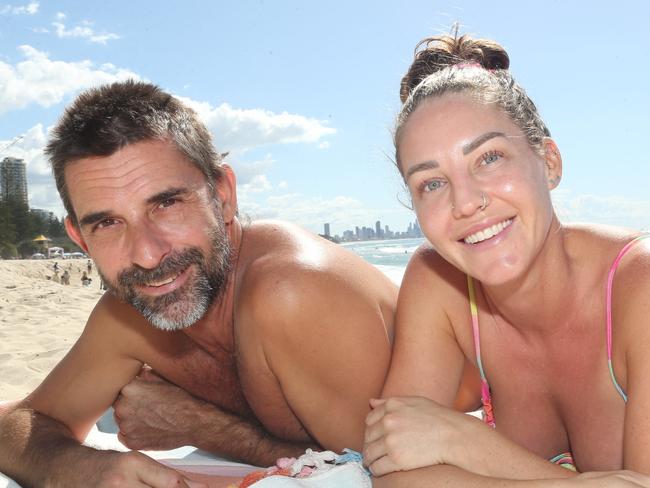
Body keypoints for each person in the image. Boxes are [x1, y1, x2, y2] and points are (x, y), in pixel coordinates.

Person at [0, 80, 398, 488]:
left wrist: (206, 427)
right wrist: (79, 466)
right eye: (107, 223)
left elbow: (390, 473)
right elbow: (18, 423)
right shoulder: (127, 318)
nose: (147, 254)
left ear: (223, 195)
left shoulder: (292, 290)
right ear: (81, 238)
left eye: (166, 203)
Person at [362, 34, 650, 487]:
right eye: (431, 183)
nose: (466, 201)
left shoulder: (640, 286)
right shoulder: (439, 282)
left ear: (549, 161)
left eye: (489, 157)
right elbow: (392, 469)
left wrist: (465, 442)